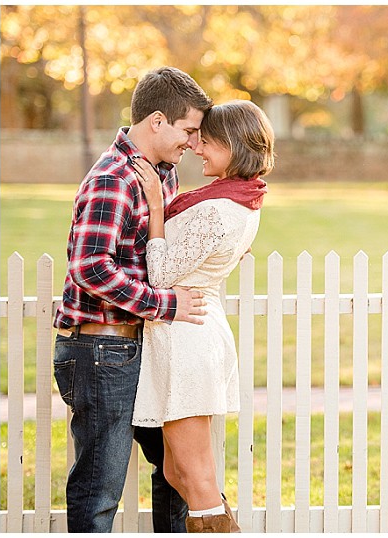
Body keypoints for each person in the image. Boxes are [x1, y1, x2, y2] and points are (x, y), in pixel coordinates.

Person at [53, 66, 212, 533]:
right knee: (100, 489)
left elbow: (163, 248)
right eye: (188, 130)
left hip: (141, 348)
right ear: (157, 121)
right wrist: (168, 306)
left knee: (177, 471)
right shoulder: (114, 179)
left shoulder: (161, 175)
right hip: (103, 351)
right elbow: (90, 267)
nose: (192, 142)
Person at [130, 99, 275, 533]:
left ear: (233, 145)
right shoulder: (240, 198)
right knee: (178, 474)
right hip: (189, 333)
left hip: (186, 340)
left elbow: (160, 274)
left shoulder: (216, 209)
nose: (197, 148)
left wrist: (157, 206)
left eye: (207, 142)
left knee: (198, 479)